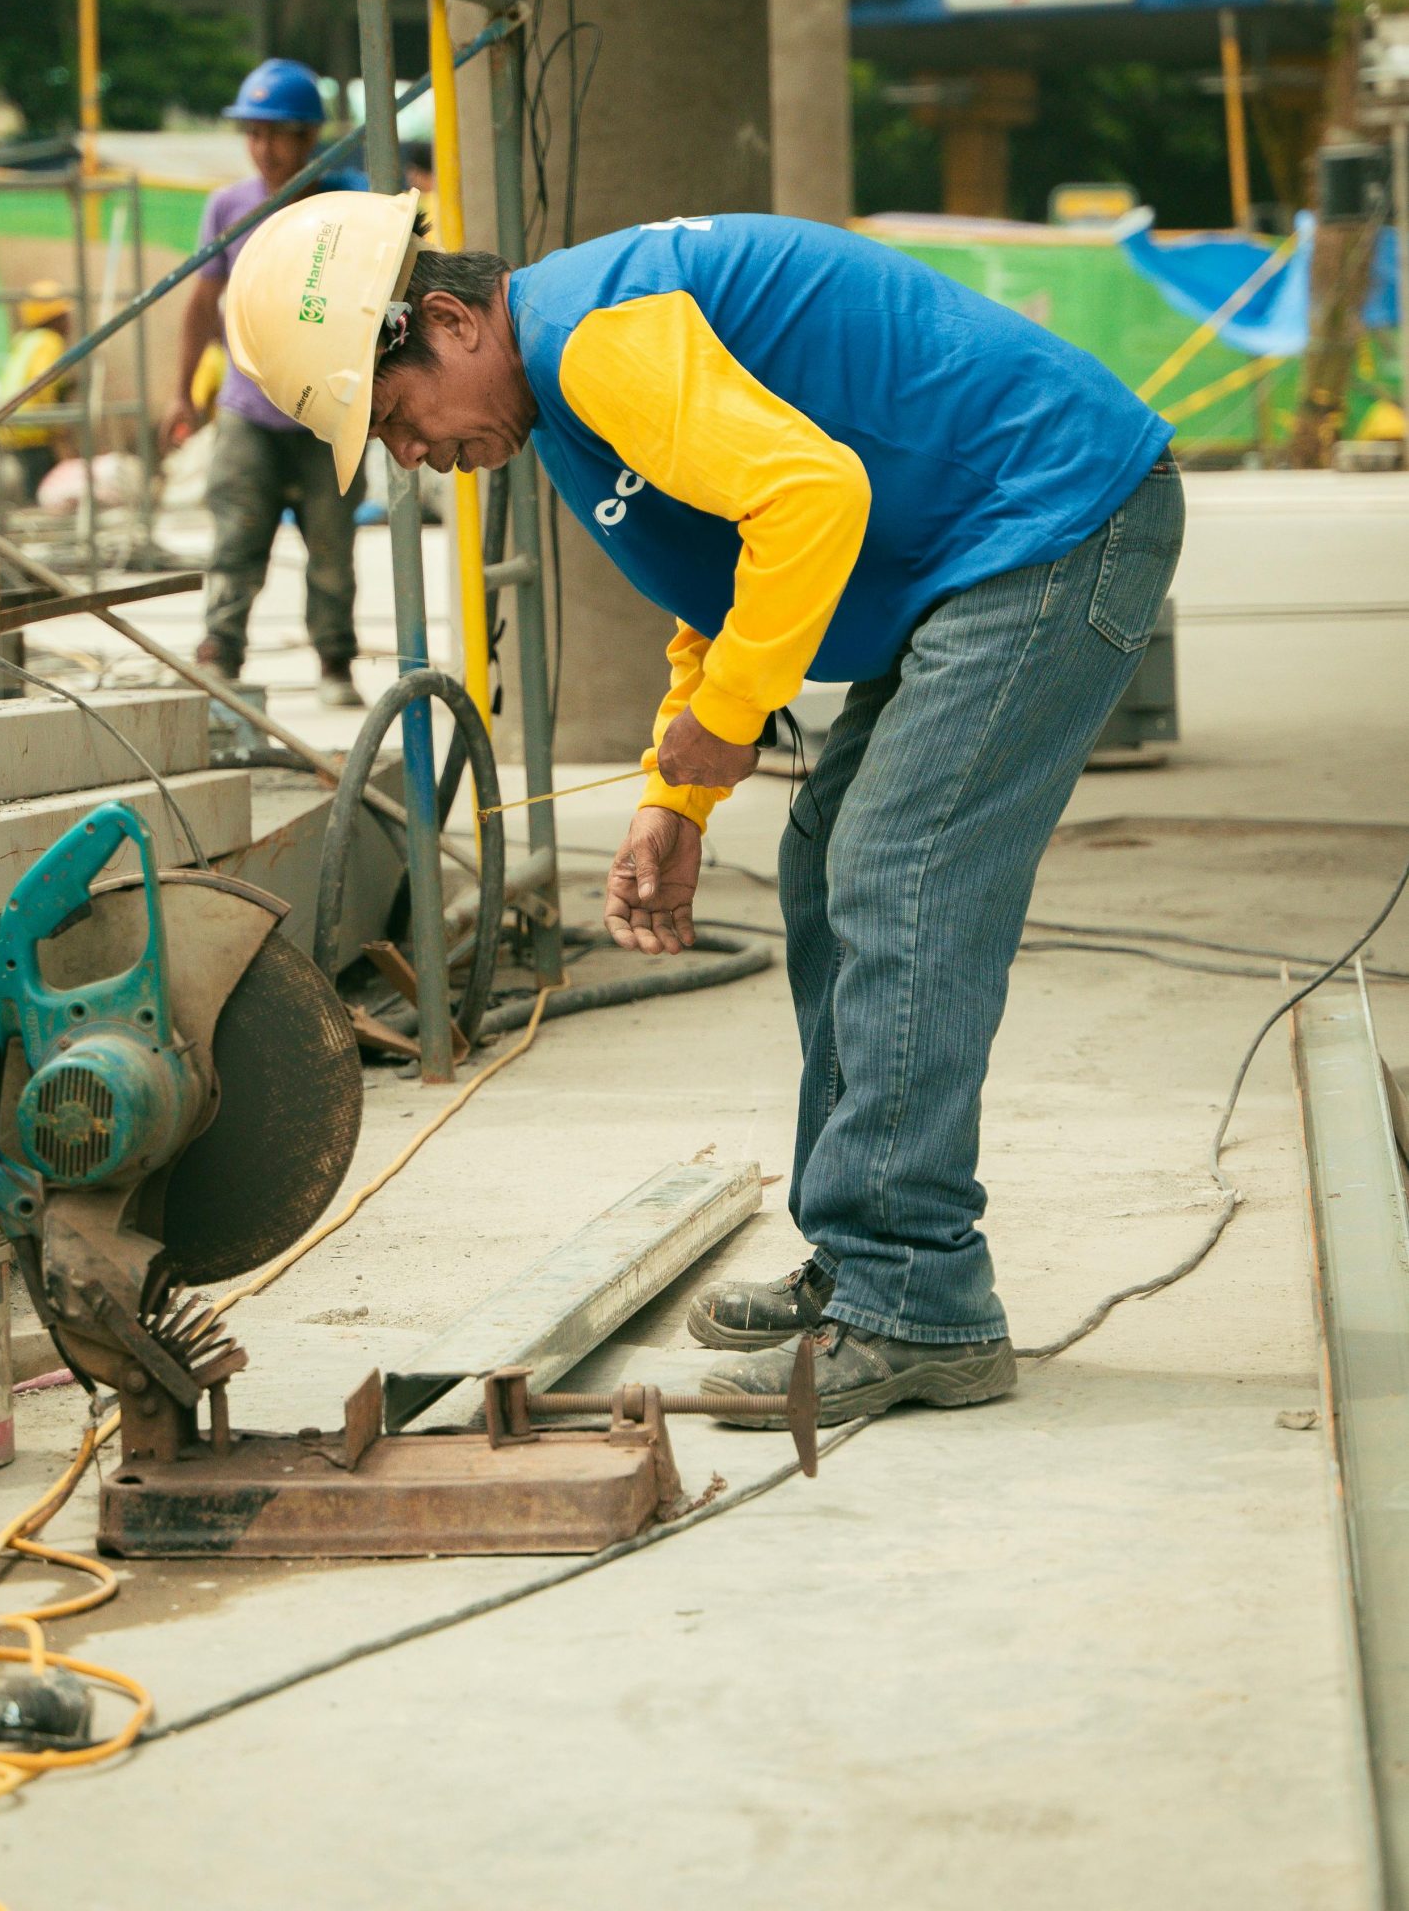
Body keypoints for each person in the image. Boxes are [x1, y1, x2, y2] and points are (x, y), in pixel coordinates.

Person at [222, 194, 1184, 1432]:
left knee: (898, 869)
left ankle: (917, 1296)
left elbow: (810, 498)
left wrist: (728, 722)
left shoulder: (593, 341)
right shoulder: (566, 377)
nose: (409, 456)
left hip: (1053, 521)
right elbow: (726, 572)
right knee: (828, 857)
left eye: (398, 416)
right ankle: (865, 1257)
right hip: (1000, 540)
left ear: (450, 321)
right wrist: (676, 797)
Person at [161, 58, 367, 706]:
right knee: (236, 536)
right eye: (253, 133)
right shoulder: (228, 206)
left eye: (277, 134)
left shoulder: (347, 203)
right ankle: (220, 653)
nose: (263, 149)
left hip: (326, 414)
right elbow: (202, 302)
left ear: (309, 137)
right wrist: (182, 392)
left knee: (331, 547)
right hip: (249, 410)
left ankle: (335, 662)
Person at [0, 280, 74, 499]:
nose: (69, 323)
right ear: (52, 319)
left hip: (13, 425)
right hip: (33, 426)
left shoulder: (23, 340)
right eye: (64, 316)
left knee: (33, 481)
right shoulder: (50, 341)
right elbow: (43, 382)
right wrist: (56, 423)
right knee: (44, 485)